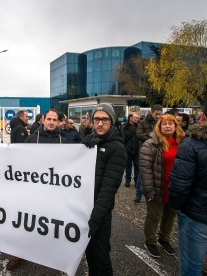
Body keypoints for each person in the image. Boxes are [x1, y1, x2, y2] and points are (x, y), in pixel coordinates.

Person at [6, 109, 66, 271]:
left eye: (55, 119)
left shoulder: (65, 141)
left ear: (58, 122)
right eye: (49, 119)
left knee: (54, 223)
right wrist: (10, 150)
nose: (52, 122)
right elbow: (21, 159)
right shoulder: (33, 139)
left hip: (56, 191)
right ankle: (20, 253)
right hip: (34, 190)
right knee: (27, 223)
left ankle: (55, 253)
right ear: (43, 120)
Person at [169, 96, 207, 276]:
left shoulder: (191, 144)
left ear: (202, 116)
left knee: (191, 268)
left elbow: (179, 186)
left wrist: (176, 206)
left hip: (197, 218)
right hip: (202, 215)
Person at [81, 103, 127, 276]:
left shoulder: (117, 148)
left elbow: (108, 190)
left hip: (99, 213)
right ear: (92, 122)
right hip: (83, 208)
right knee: (90, 254)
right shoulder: (88, 142)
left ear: (112, 122)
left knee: (101, 257)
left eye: (104, 119)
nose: (100, 123)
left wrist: (95, 219)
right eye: (97, 119)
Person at [139, 114, 185, 258]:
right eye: (164, 124)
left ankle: (164, 239)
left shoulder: (182, 142)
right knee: (154, 216)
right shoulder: (151, 143)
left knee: (170, 216)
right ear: (159, 126)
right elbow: (145, 168)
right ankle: (150, 242)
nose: (167, 126)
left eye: (170, 124)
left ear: (175, 126)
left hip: (175, 187)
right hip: (157, 186)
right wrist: (149, 189)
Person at [134, 104, 163, 204]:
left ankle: (154, 194)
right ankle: (138, 196)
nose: (158, 116)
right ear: (152, 112)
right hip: (145, 151)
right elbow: (138, 134)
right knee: (142, 175)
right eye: (156, 114)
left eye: (160, 114)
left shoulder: (162, 122)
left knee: (155, 174)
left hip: (159, 152)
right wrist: (152, 138)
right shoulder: (143, 122)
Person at [122, 112, 140, 187]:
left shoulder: (139, 126)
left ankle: (136, 181)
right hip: (127, 150)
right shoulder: (124, 126)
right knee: (128, 166)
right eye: (136, 117)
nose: (137, 119)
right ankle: (127, 181)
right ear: (130, 118)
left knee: (137, 166)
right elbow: (122, 138)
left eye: (138, 117)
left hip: (137, 150)